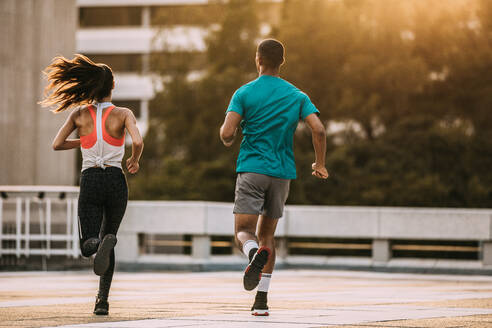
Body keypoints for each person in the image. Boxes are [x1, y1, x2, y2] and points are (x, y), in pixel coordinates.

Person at [219, 39, 328, 316]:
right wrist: (319, 163)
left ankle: (253, 255)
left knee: (243, 232)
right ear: (282, 62)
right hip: (281, 174)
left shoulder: (244, 93)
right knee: (268, 235)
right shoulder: (297, 96)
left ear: (258, 60)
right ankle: (261, 301)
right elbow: (319, 130)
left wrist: (229, 136)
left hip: (252, 170)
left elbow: (228, 133)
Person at [40, 54, 144, 315]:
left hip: (91, 180)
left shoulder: (78, 114)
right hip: (116, 181)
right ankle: (102, 301)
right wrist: (134, 159)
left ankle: (98, 245)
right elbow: (138, 141)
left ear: (91, 87)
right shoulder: (123, 113)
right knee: (110, 236)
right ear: (112, 87)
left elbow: (57, 144)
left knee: (88, 242)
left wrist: (84, 141)